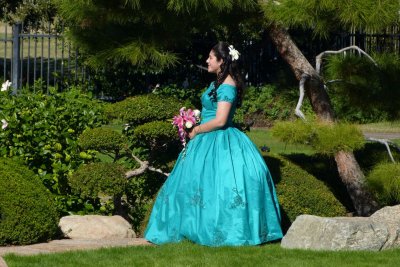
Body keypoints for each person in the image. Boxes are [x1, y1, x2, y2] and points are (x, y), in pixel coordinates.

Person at [144, 42, 283, 246]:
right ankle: (190, 227)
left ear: (222, 61)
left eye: (210, 57)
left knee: (220, 184)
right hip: (206, 140)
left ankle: (224, 230)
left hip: (220, 139)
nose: (206, 60)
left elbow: (220, 120)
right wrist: (192, 119)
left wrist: (196, 129)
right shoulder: (217, 82)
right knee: (194, 184)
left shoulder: (227, 85)